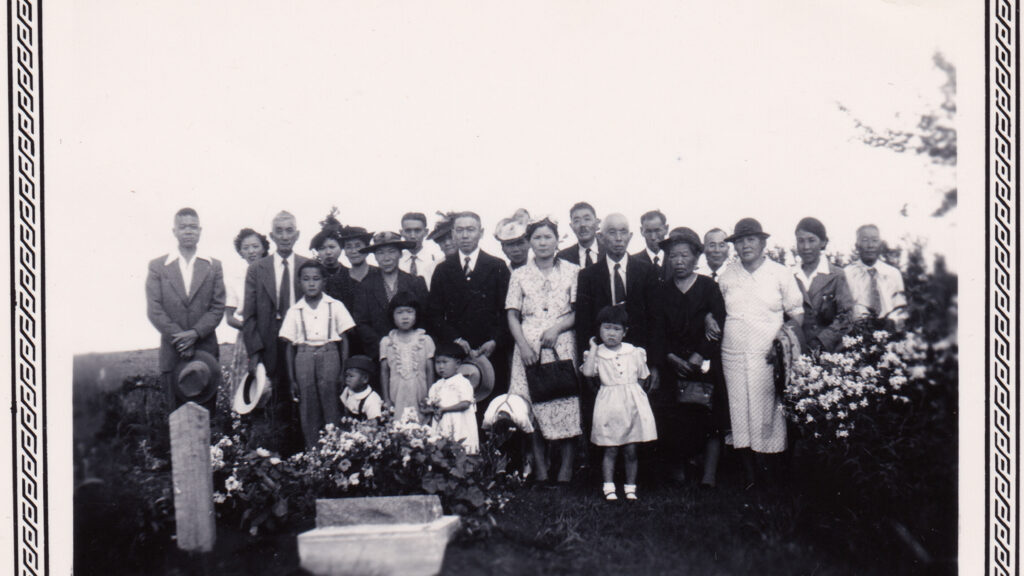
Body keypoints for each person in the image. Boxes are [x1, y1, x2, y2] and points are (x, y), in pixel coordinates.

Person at [718, 218, 803, 486]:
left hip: (769, 357)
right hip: (733, 354)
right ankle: (749, 477)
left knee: (768, 411)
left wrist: (782, 342)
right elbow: (719, 311)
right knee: (739, 411)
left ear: (763, 243)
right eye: (740, 241)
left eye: (751, 239)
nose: (745, 246)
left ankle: (772, 475)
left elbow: (797, 314)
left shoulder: (780, 273)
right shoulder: (728, 275)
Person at [506, 218, 581, 483]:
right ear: (530, 242)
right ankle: (541, 468)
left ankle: (566, 469)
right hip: (529, 346)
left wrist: (557, 328)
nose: (543, 242)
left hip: (560, 343)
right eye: (537, 238)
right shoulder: (519, 275)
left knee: (565, 401)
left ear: (557, 240)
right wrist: (524, 346)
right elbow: (512, 315)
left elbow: (577, 312)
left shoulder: (573, 271)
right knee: (533, 405)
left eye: (548, 237)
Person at [575, 213, 662, 441]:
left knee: (638, 420)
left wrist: (653, 365)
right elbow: (584, 324)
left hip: (636, 361)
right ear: (601, 237)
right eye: (612, 232)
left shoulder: (646, 271)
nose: (618, 238)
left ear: (631, 236)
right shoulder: (588, 276)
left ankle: (638, 475)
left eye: (623, 232)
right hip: (603, 365)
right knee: (606, 422)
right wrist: (590, 366)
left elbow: (656, 320)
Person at [654, 227, 728, 488]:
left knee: (709, 417)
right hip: (672, 364)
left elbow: (718, 322)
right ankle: (678, 470)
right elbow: (656, 329)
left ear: (696, 257)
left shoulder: (709, 287)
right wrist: (670, 357)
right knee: (672, 418)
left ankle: (708, 474)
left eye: (685, 255)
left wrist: (698, 355)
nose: (679, 261)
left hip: (704, 363)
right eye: (673, 256)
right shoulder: (661, 291)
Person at [146, 207, 226, 414]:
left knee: (205, 418)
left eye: (193, 227)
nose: (188, 231)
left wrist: (195, 334)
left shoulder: (213, 266)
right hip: (173, 353)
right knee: (176, 419)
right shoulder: (158, 266)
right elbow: (154, 309)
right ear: (174, 231)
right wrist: (181, 339)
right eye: (183, 227)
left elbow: (218, 307)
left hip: (205, 352)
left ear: (200, 230)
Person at [243, 211, 310, 453]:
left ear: (297, 234)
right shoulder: (257, 269)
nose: (284, 236)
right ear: (271, 236)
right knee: (272, 402)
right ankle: (273, 457)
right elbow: (249, 316)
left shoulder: (308, 266)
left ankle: (303, 455)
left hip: (301, 343)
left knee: (302, 398)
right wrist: (256, 354)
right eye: (279, 231)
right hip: (269, 345)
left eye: (289, 230)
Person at [427, 211, 511, 402]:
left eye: (470, 230)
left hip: (490, 352)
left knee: (491, 408)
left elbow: (508, 311)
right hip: (457, 354)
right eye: (460, 230)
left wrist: (495, 341)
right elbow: (434, 314)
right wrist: (454, 338)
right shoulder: (442, 269)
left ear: (480, 233)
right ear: (453, 234)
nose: (465, 236)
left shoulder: (497, 266)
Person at [580, 305, 658, 501]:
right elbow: (588, 373)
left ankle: (630, 487)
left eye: (616, 329)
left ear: (625, 332)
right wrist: (593, 348)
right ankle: (609, 487)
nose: (611, 334)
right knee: (611, 447)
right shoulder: (596, 354)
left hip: (632, 404)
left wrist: (632, 393)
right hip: (609, 405)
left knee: (631, 448)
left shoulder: (634, 352)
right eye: (606, 328)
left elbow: (642, 376)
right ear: (599, 330)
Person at [280, 261, 356, 448]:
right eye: (306, 279)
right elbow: (289, 346)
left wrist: (342, 372)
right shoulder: (295, 310)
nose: (311, 284)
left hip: (330, 354)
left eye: (316, 279)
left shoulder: (334, 306)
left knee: (332, 403)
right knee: (307, 406)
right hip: (303, 357)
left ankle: (336, 451)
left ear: (324, 281)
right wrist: (292, 380)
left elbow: (345, 339)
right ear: (299, 282)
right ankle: (313, 452)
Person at [352, 232, 429, 360]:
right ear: (375, 257)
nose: (386, 258)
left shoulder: (415, 282)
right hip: (379, 353)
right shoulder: (365, 286)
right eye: (380, 253)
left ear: (400, 254)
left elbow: (425, 317)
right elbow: (361, 323)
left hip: (414, 352)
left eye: (391, 251)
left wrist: (411, 343)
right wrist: (383, 346)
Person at [793, 217, 854, 352]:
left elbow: (846, 317)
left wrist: (820, 342)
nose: (806, 247)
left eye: (811, 240)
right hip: (795, 351)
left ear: (823, 242)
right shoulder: (789, 275)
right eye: (801, 241)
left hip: (829, 352)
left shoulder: (836, 275)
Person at [379, 291, 436, 423]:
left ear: (416, 314)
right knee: (398, 426)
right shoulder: (387, 342)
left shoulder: (425, 339)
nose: (405, 317)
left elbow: (429, 370)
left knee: (420, 428)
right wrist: (386, 399)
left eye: (409, 312)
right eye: (399, 312)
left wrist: (429, 396)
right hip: (397, 391)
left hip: (419, 391)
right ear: (392, 315)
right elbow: (384, 371)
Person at [844, 224, 908, 327]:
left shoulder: (893, 273)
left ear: (880, 245)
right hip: (857, 333)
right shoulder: (846, 274)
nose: (870, 245)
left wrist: (893, 323)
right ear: (857, 246)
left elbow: (900, 307)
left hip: (889, 332)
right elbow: (843, 310)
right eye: (865, 240)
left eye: (874, 240)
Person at [422, 342, 480, 454]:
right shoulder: (436, 386)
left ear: (457, 364)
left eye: (445, 362)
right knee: (441, 450)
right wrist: (429, 408)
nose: (441, 367)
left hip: (459, 423)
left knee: (461, 449)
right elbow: (432, 404)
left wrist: (444, 409)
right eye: (438, 362)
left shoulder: (462, 382)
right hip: (442, 423)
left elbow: (465, 403)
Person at [399, 212, 443, 289]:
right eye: (408, 231)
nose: (412, 236)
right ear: (401, 233)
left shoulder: (436, 260)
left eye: (417, 230)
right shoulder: (396, 261)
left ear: (426, 232)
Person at [556, 202, 602, 267]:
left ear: (596, 222)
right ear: (571, 226)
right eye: (577, 221)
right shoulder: (562, 257)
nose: (582, 224)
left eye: (587, 219)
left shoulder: (610, 252)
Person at [340, 355, 384, 420]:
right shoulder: (347, 391)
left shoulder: (372, 399)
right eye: (346, 376)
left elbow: (374, 423)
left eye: (351, 376)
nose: (347, 379)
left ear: (365, 379)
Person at [310, 208, 348, 280]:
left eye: (332, 247)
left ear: (341, 247)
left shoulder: (349, 274)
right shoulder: (313, 277)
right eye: (322, 248)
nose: (328, 252)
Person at [632, 209, 669, 278]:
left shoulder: (674, 260)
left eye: (657, 230)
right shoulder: (632, 262)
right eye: (648, 231)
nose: (653, 237)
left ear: (666, 229)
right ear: (641, 231)